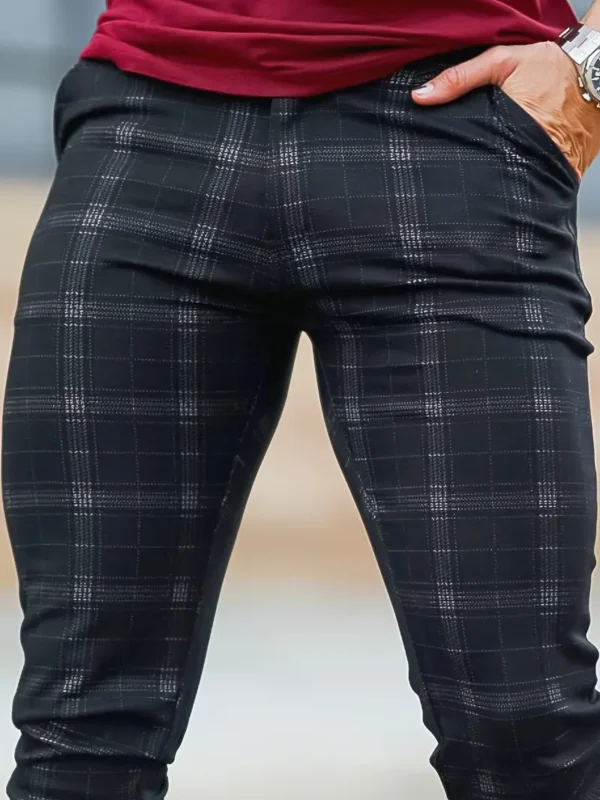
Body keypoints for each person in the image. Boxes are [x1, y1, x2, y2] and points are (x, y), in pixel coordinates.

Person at [3, 1, 600, 798]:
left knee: (526, 731)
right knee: (77, 741)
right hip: (148, 118)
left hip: (452, 129)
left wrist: (590, 69)